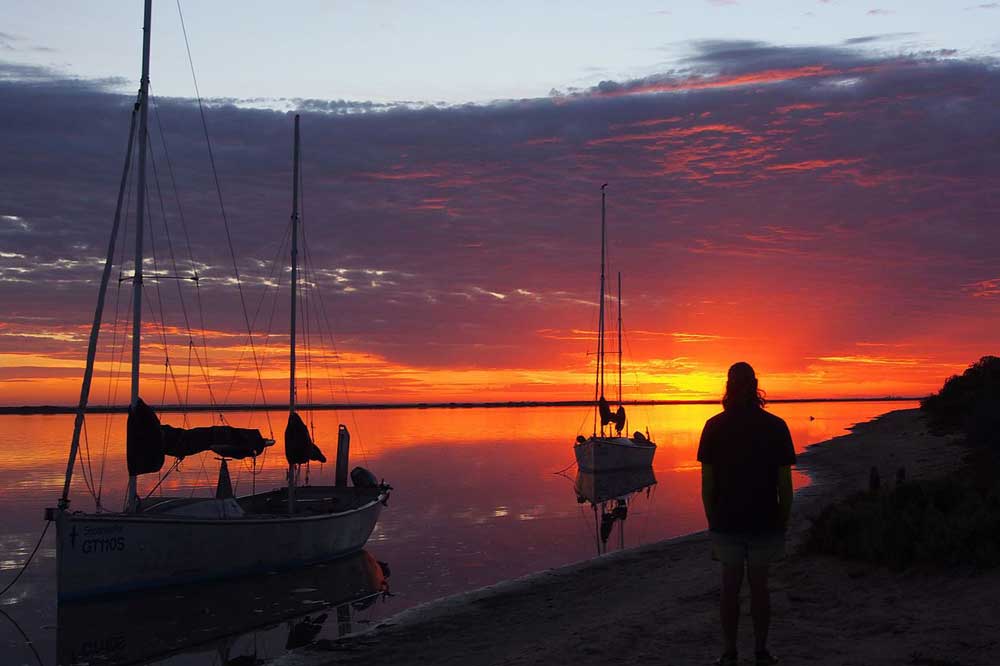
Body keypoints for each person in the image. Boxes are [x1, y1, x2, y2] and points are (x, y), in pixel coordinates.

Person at [697, 362, 795, 666]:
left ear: (728, 386)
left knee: (730, 587)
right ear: (755, 385)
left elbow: (707, 487)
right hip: (764, 520)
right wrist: (782, 520)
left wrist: (713, 521)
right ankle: (761, 651)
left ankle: (729, 652)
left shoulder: (714, 426)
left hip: (727, 522)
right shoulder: (776, 426)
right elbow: (785, 487)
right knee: (759, 587)